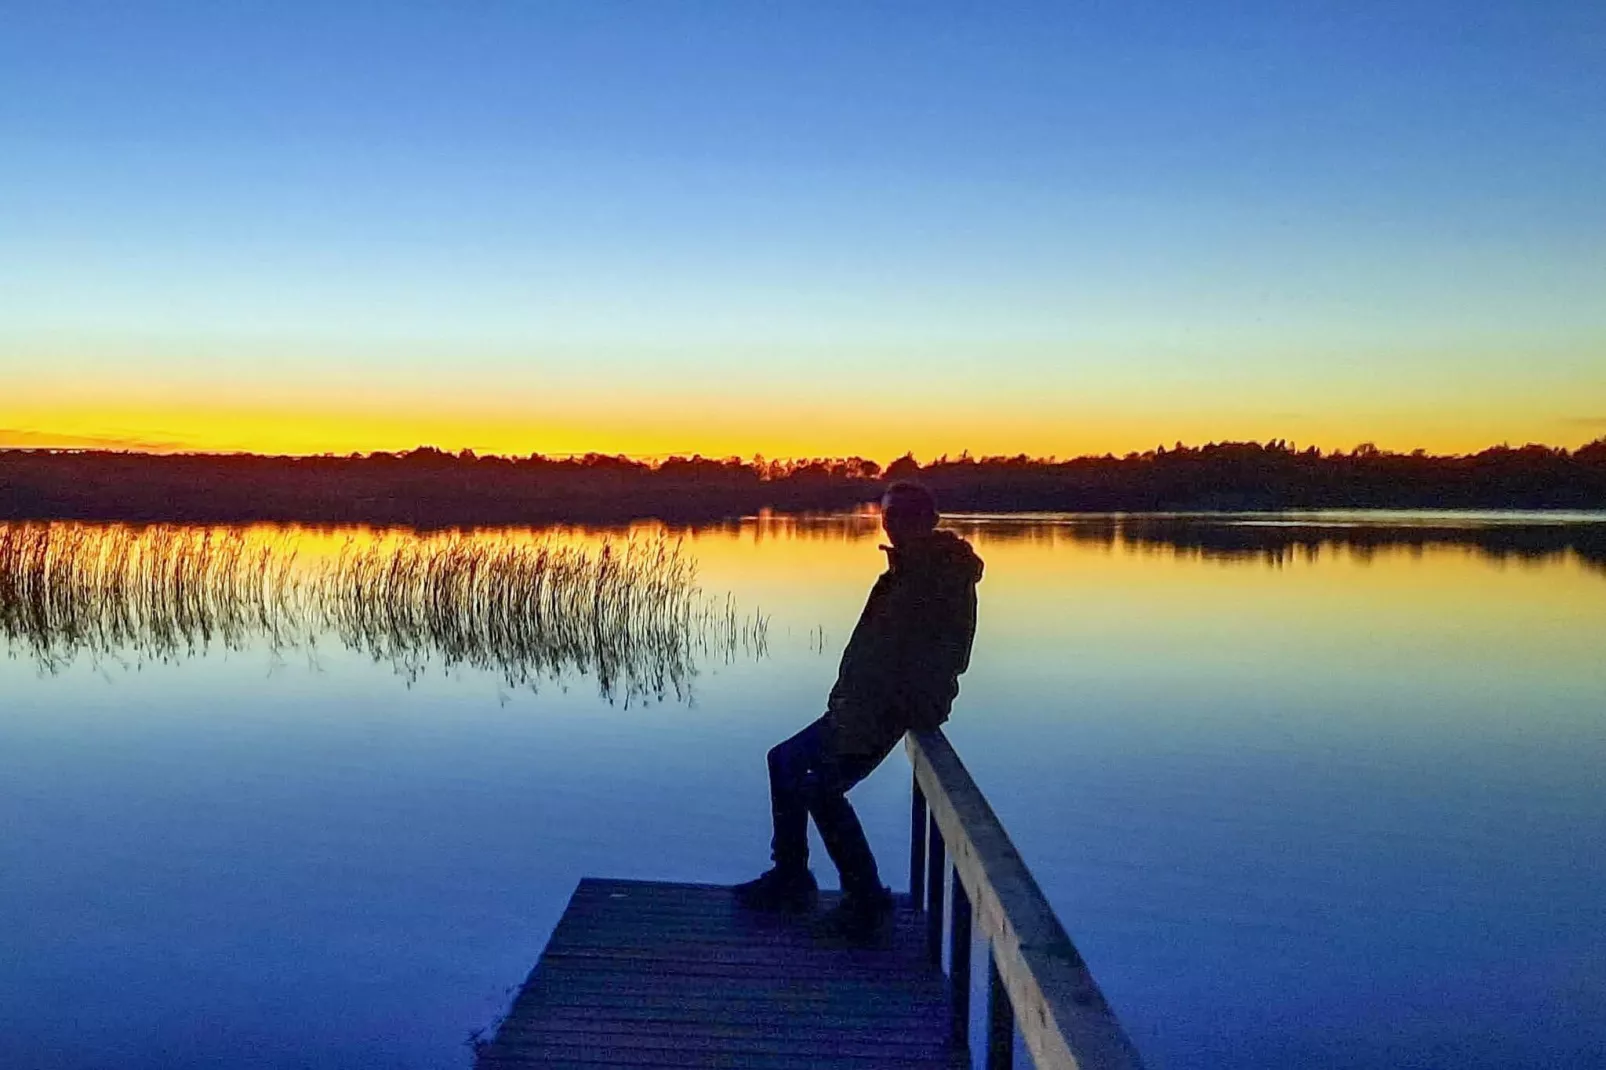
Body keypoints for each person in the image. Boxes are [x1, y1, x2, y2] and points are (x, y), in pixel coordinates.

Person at [734, 481, 984, 939]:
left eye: (902, 515)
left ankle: (866, 900)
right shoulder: (905, 569)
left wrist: (911, 703)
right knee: (783, 761)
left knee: (821, 790)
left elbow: (942, 652)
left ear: (927, 520)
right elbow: (875, 646)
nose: (892, 523)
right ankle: (792, 877)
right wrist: (847, 697)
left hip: (890, 708)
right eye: (887, 515)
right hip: (859, 704)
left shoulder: (940, 575)